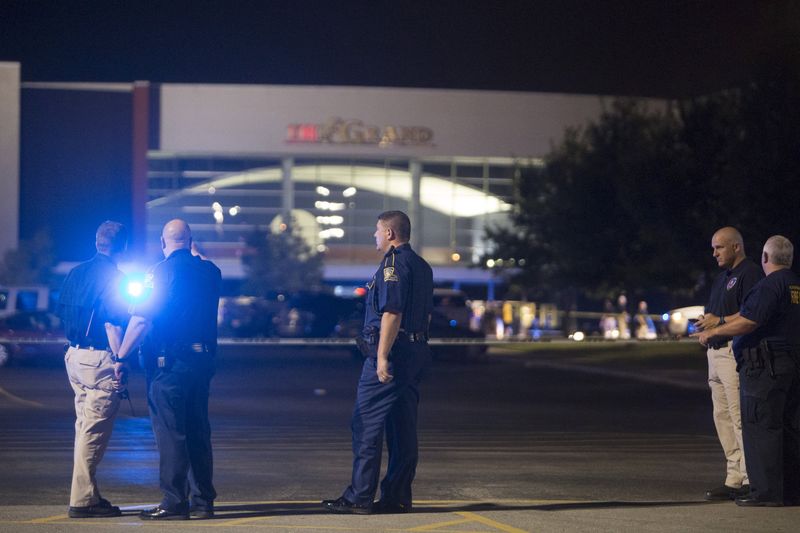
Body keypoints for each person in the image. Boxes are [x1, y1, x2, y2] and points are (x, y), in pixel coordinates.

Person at [323, 210, 433, 515]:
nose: (374, 236)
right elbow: (425, 315)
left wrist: (382, 357)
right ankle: (397, 496)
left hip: (393, 354)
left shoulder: (393, 265)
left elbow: (392, 312)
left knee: (366, 424)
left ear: (389, 234)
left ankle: (359, 496)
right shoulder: (422, 266)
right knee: (402, 427)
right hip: (416, 352)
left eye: (377, 231)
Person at [113, 219, 221, 520]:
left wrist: (121, 355)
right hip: (203, 362)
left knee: (172, 434)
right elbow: (201, 259)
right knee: (199, 430)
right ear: (191, 241)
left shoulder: (159, 273)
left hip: (169, 365)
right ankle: (203, 502)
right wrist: (192, 247)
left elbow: (142, 319)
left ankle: (174, 501)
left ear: (163, 243)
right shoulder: (211, 272)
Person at [695, 235, 800, 506]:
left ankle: (763, 490)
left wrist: (716, 329)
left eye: (718, 247)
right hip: (788, 364)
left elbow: (749, 320)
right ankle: (786, 489)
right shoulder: (793, 284)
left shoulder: (768, 284)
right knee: (784, 428)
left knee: (760, 426)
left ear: (766, 258)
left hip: (766, 366)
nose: (714, 253)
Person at [57, 221, 129, 518]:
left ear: (96, 242)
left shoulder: (75, 273)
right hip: (99, 358)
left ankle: (89, 493)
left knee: (83, 428)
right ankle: (82, 501)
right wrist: (120, 360)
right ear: (123, 247)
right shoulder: (114, 277)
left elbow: (61, 311)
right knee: (93, 431)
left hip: (74, 355)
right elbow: (112, 322)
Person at [693, 226, 763, 501]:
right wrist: (707, 323)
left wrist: (719, 322)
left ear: (736, 246)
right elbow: (717, 314)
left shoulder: (750, 274)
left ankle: (749, 478)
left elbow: (751, 314)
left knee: (738, 417)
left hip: (733, 352)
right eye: (713, 248)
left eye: (719, 247)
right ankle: (734, 477)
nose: (714, 253)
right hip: (714, 352)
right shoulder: (722, 278)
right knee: (721, 418)